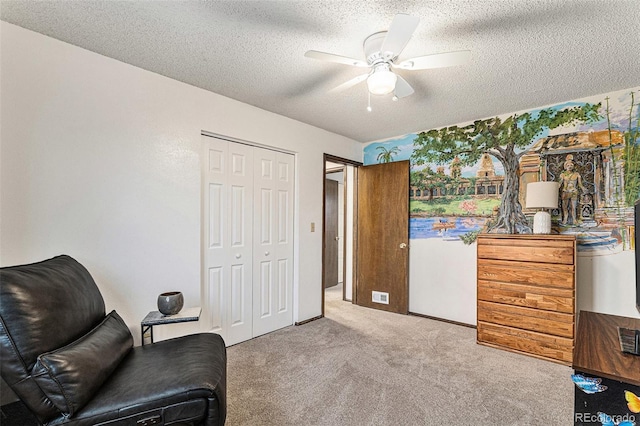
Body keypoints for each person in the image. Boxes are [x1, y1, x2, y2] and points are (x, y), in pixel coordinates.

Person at [558, 154, 585, 225]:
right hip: (565, 192)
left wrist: (584, 189)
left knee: (574, 207)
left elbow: (580, 184)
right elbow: (559, 184)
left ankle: (574, 220)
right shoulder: (562, 175)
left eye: (571, 165)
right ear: (565, 166)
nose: (569, 167)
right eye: (568, 165)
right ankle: (565, 219)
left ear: (573, 166)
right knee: (565, 207)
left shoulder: (577, 174)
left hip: (574, 192)